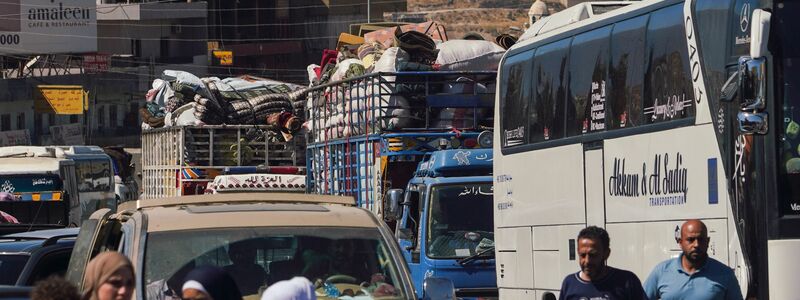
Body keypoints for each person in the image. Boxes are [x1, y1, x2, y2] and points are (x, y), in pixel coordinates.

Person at [643, 219, 743, 300]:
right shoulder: (662, 271)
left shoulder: (725, 274)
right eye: (690, 240)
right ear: (680, 242)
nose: (696, 245)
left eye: (700, 239)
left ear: (708, 242)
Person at [558, 226, 647, 300]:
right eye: (582, 255)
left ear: (606, 254)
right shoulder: (569, 283)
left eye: (593, 255)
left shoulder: (627, 281)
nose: (587, 261)